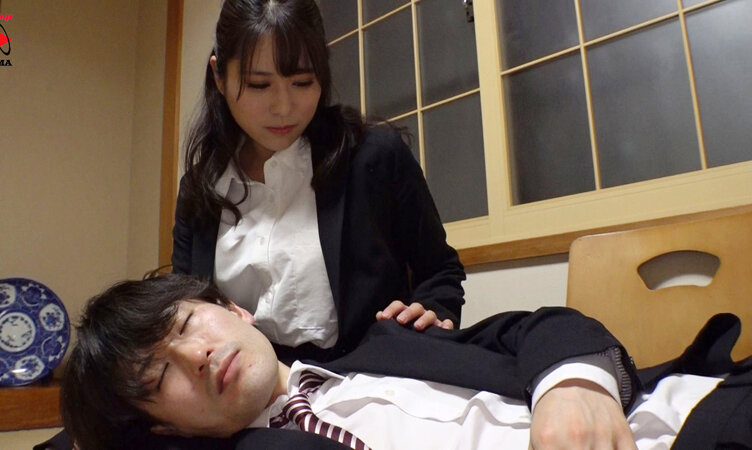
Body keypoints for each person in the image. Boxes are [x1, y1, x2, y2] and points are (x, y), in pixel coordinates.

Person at [54, 275, 747, 450]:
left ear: (233, 309)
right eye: (159, 377)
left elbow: (539, 327)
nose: (197, 355)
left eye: (184, 324)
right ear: (165, 429)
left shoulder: (386, 339)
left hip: (691, 411)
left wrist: (571, 389)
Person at [171, 0, 465, 363]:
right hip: (254, 389)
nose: (283, 107)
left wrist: (433, 310)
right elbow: (185, 309)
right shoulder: (199, 190)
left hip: (371, 380)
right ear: (219, 76)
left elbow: (439, 271)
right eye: (259, 85)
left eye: (302, 82)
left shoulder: (372, 157)